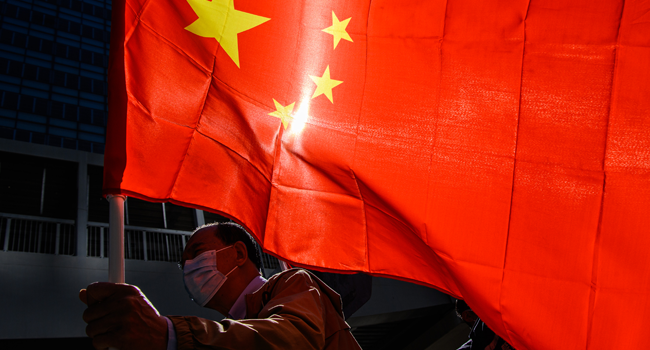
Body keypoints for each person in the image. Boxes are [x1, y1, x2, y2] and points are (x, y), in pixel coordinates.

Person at [80, 222, 362, 350]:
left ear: (239, 254)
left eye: (196, 252)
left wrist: (168, 334)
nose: (188, 265)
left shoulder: (293, 282)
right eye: (183, 263)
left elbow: (293, 341)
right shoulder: (234, 330)